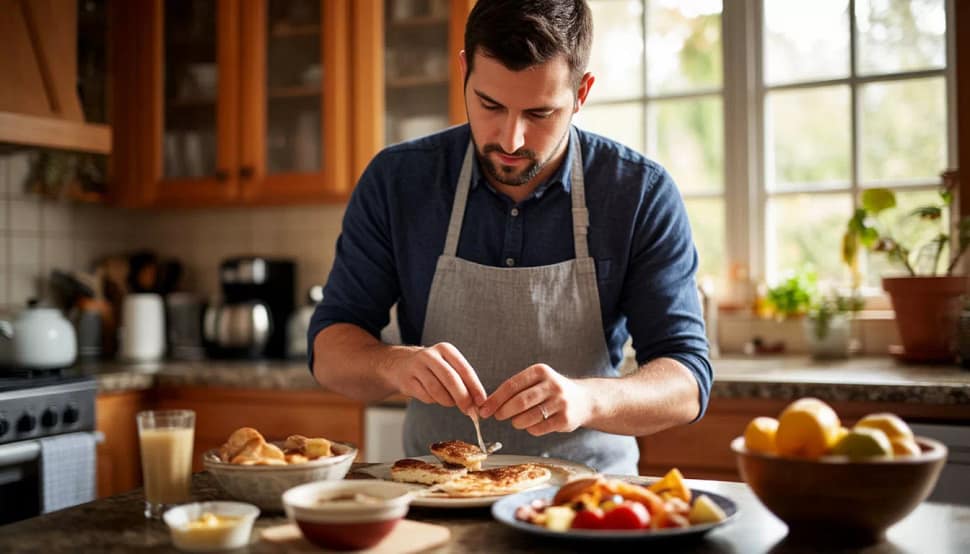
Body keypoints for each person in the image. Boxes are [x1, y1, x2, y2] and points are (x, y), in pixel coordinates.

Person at [309, 0, 711, 475]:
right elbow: (329, 352)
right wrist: (392, 365)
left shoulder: (638, 192)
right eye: (490, 105)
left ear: (582, 92)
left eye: (540, 113)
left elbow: (686, 382)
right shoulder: (398, 181)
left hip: (588, 503)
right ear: (464, 70)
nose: (512, 139)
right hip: (436, 494)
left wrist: (588, 400)